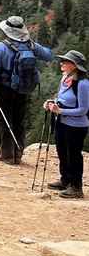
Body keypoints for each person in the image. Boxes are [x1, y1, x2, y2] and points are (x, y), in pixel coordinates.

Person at [0, 15, 54, 164]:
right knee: (19, 120)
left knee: (3, 120)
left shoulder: (1, 47)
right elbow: (49, 55)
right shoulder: (31, 46)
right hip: (23, 88)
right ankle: (18, 153)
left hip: (3, 89)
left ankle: (7, 154)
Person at [43, 50, 87, 199]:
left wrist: (60, 110)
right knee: (62, 152)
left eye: (65, 61)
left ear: (74, 66)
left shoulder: (83, 84)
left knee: (73, 155)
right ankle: (65, 180)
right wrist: (51, 103)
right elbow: (60, 99)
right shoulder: (65, 79)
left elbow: (83, 110)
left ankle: (76, 187)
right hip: (62, 122)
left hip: (76, 126)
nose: (61, 63)